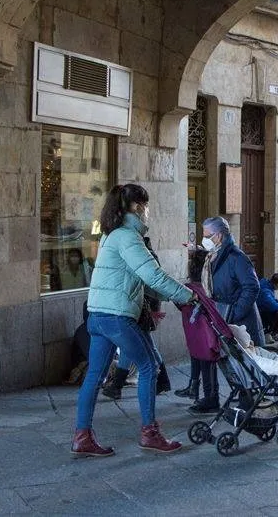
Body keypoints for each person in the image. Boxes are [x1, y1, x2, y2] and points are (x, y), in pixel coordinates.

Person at [72, 184, 195, 457]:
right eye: (146, 206)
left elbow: (141, 281)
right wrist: (188, 296)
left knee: (94, 376)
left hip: (97, 315)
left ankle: (82, 437)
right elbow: (153, 275)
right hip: (117, 317)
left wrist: (175, 296)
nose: (147, 211)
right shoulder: (129, 237)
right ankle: (150, 433)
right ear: (137, 207)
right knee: (149, 365)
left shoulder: (111, 235)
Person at [192, 216, 261, 415]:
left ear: (219, 236)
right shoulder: (213, 256)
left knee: (243, 363)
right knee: (217, 357)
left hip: (239, 321)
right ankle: (211, 398)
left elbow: (252, 287)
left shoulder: (236, 257)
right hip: (220, 316)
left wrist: (235, 313)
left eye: (207, 236)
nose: (204, 239)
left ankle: (247, 406)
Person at [101, 235, 172, 401]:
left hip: (141, 309)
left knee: (132, 344)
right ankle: (161, 381)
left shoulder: (144, 256)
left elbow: (151, 284)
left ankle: (118, 385)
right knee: (144, 344)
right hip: (139, 308)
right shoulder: (144, 255)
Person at [174, 246, 209, 400]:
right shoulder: (207, 287)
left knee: (199, 355)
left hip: (195, 326)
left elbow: (179, 302)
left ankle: (203, 393)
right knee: (198, 354)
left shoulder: (191, 288)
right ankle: (194, 387)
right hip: (201, 326)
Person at [258, 270, 278, 343]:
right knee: (275, 311)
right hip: (261, 311)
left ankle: (275, 332)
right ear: (277, 284)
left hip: (264, 308)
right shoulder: (266, 290)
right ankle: (266, 333)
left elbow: (270, 302)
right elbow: (273, 306)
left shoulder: (269, 286)